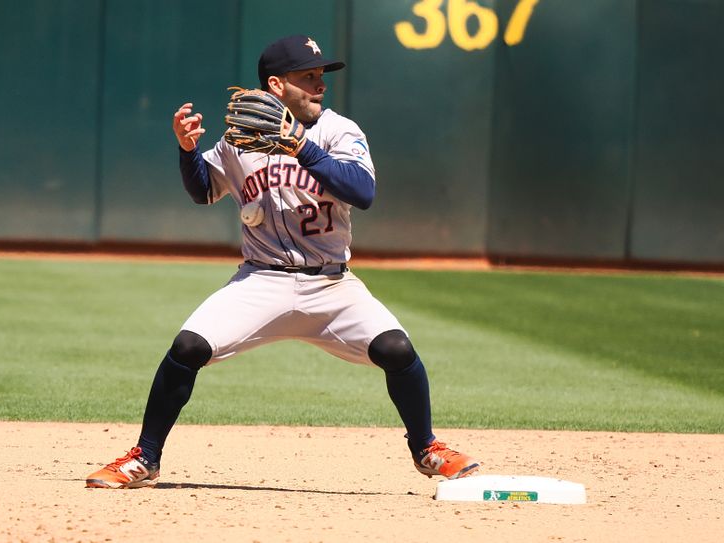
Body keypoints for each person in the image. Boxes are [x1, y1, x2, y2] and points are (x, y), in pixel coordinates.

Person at [86, 35, 479, 489]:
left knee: (397, 350)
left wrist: (301, 146)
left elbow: (363, 193)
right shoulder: (241, 139)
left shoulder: (338, 131)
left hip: (333, 287)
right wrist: (188, 151)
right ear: (276, 84)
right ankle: (145, 457)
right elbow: (203, 190)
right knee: (187, 348)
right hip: (262, 280)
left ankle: (426, 448)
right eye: (308, 77)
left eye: (321, 76)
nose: (320, 85)